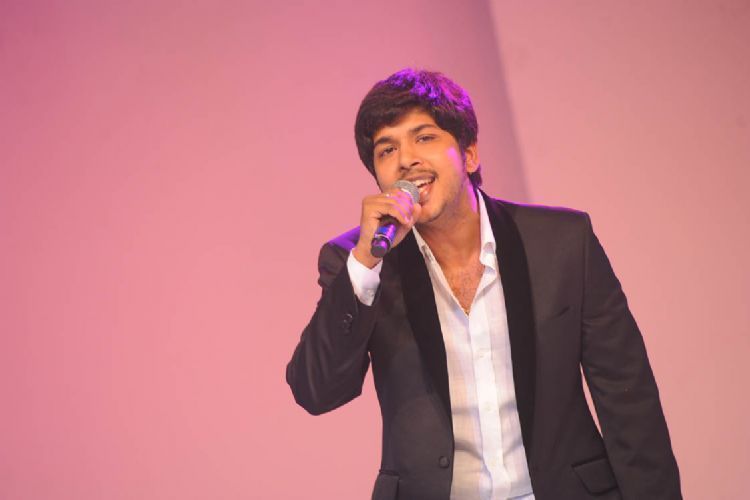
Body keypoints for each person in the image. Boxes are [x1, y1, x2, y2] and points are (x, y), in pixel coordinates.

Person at [286, 68, 681, 500]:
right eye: (387, 149)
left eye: (424, 137)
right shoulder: (359, 260)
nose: (405, 159)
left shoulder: (562, 242)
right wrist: (365, 262)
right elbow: (316, 391)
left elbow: (628, 401)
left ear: (469, 153)